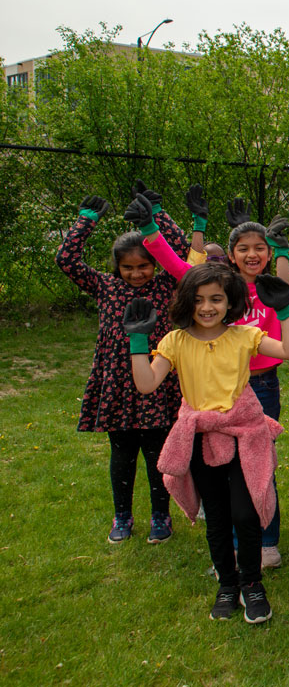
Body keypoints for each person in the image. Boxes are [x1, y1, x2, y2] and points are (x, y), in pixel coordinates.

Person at [137, 193, 289, 568]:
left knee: (259, 465)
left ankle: (266, 542)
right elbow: (179, 267)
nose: (252, 254)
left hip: (261, 385)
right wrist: (151, 230)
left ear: (269, 253)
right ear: (232, 253)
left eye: (261, 247)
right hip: (213, 390)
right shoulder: (221, 288)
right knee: (221, 471)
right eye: (243, 248)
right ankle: (236, 543)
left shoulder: (273, 286)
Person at [126, 262, 289, 624]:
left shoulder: (243, 336)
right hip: (201, 438)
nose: (207, 307)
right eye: (199, 299)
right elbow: (145, 384)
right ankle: (226, 585)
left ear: (230, 301)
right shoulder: (174, 341)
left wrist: (284, 310)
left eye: (216, 299)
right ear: (187, 301)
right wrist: (138, 341)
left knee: (244, 513)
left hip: (243, 436)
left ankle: (252, 585)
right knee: (217, 518)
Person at [55, 189, 188, 544]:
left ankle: (161, 515)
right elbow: (66, 261)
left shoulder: (167, 285)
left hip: (158, 380)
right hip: (117, 382)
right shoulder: (104, 286)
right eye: (128, 267)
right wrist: (86, 220)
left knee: (158, 454)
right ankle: (123, 517)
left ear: (155, 264)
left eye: (143, 265)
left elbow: (185, 254)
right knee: (122, 453)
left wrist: (157, 214)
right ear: (117, 267)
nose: (136, 273)